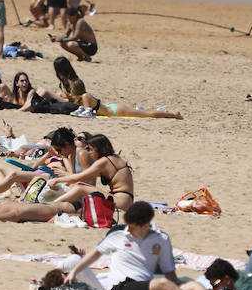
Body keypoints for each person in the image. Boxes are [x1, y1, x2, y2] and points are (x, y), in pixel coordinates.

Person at [64, 202, 244, 290]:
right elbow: (94, 256)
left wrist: (178, 288)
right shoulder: (117, 236)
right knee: (163, 285)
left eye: (133, 226)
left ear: (145, 225)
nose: (129, 229)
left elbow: (170, 273)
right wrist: (74, 271)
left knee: (191, 285)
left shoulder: (161, 240)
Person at [52, 57, 182, 119]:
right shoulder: (66, 86)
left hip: (115, 111)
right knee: (144, 112)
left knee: (149, 114)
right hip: (109, 107)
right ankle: (142, 109)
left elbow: (79, 103)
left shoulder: (80, 90)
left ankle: (174, 115)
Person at [47, 133, 139, 211]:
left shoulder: (104, 162)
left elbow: (78, 178)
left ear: (99, 149)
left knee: (80, 187)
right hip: (125, 200)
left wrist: (56, 181)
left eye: (91, 149)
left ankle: (50, 206)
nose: (89, 153)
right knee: (80, 187)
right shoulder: (113, 157)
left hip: (121, 202)